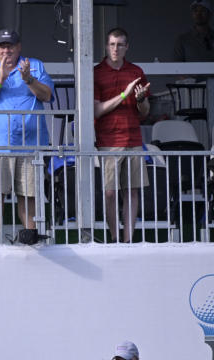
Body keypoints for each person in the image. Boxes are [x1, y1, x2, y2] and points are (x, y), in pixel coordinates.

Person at [0, 29, 53, 245]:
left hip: (30, 144)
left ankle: (31, 239)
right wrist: (0, 79)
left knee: (29, 194)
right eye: (2, 46)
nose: (6, 50)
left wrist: (29, 79)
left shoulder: (34, 65)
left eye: (11, 46)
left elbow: (47, 95)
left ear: (19, 47)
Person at [94, 28, 151, 244]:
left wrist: (139, 99)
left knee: (131, 191)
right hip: (108, 141)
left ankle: (128, 240)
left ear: (127, 47)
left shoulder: (136, 71)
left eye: (120, 44)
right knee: (110, 192)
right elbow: (97, 111)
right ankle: (114, 237)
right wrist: (124, 94)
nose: (115, 48)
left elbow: (145, 112)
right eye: (112, 44)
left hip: (133, 139)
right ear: (106, 46)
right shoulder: (97, 72)